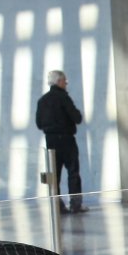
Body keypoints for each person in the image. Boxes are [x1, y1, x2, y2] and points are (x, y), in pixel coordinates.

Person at [36, 69, 85, 214]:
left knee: (54, 175)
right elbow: (77, 118)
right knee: (73, 172)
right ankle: (75, 204)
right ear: (59, 82)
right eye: (65, 81)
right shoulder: (64, 98)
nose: (66, 83)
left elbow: (39, 123)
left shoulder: (42, 101)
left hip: (51, 141)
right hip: (67, 139)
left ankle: (57, 205)